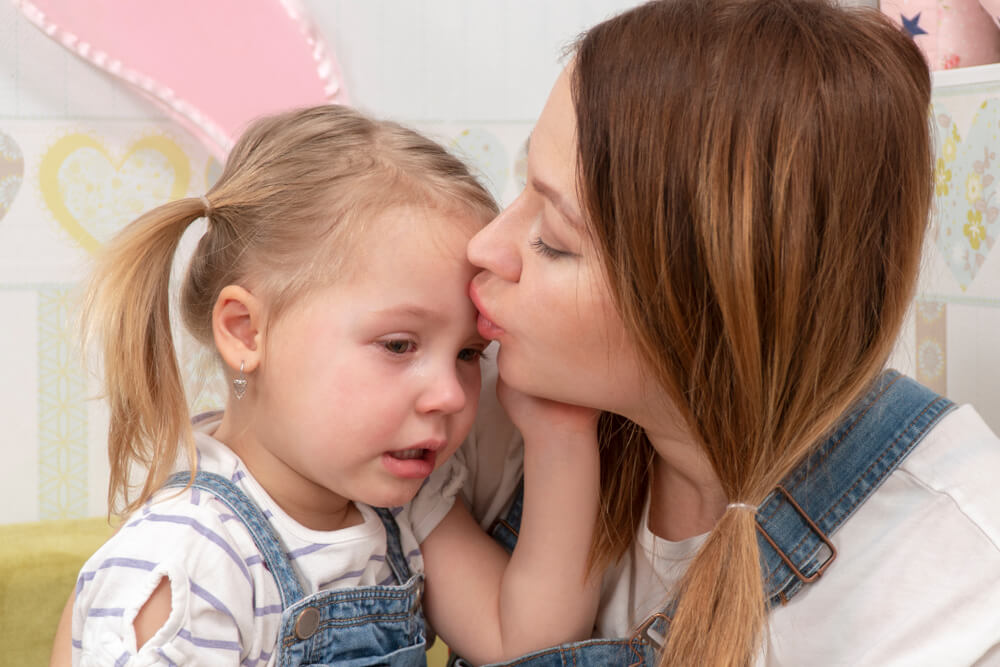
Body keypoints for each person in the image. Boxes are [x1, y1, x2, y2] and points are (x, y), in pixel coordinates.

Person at [459, 0, 1000, 665]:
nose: (484, 246)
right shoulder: (481, 417)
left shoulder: (962, 596)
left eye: (554, 241)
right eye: (524, 192)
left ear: (708, 297)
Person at [69, 104, 601, 666]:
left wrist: (560, 433)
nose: (451, 394)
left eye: (470, 353)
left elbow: (527, 645)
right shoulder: (191, 562)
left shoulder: (407, 504)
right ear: (247, 331)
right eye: (399, 345)